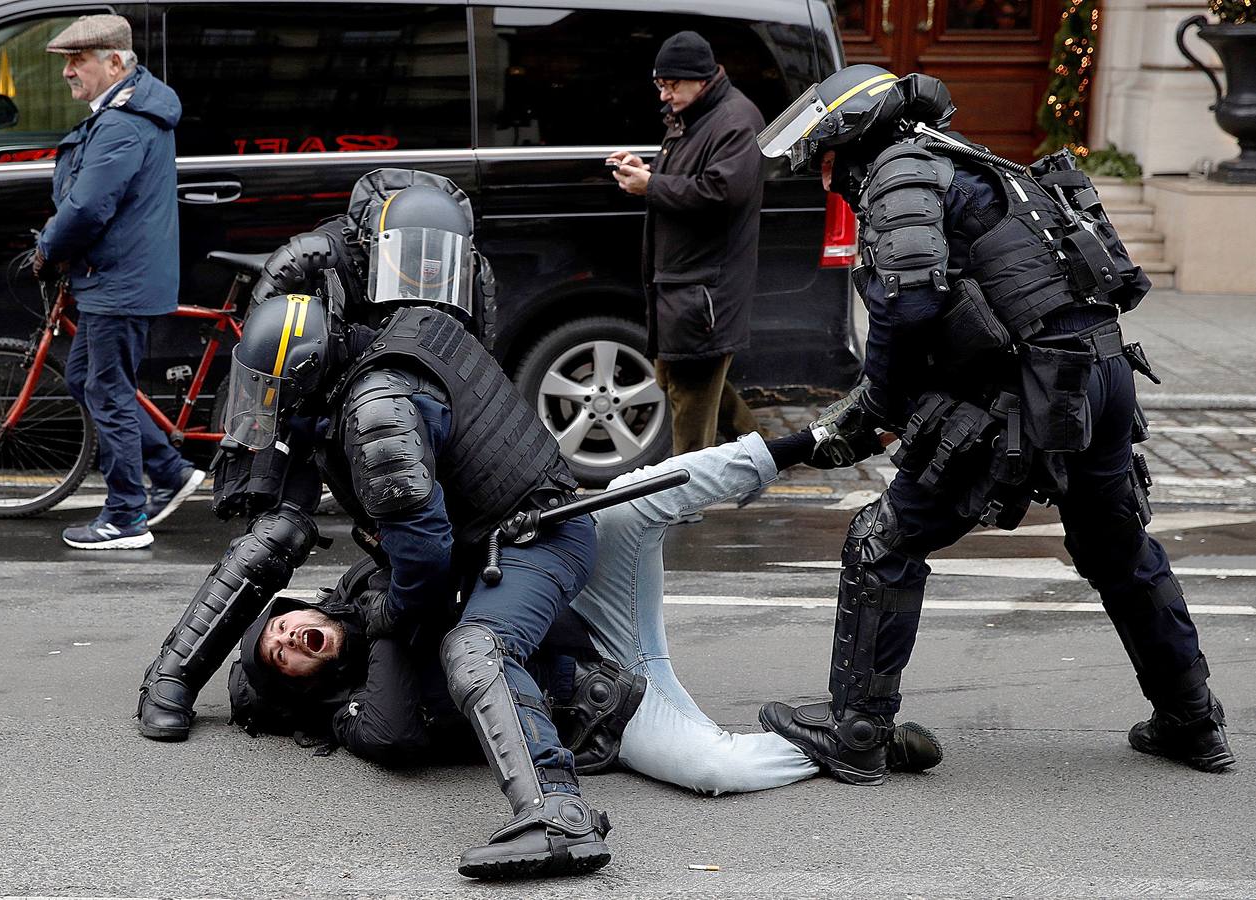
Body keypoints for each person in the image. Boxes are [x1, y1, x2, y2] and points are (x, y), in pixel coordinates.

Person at [752, 64, 1236, 785]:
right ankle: (1192, 722)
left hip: (1022, 393)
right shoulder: (977, 162)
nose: (825, 179)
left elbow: (905, 305)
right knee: (1117, 551)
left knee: (882, 541)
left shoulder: (899, 170)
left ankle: (856, 731)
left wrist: (877, 407)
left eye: (824, 161)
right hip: (1099, 376)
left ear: (852, 137)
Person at [139, 174, 612, 880]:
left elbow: (420, 559)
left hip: (531, 535)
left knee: (476, 648)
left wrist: (388, 615)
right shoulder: (353, 323)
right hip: (484, 528)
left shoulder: (377, 401)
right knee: (284, 532)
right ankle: (170, 677)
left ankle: (559, 812)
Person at [228, 434, 944, 797]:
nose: (288, 635)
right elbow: (393, 734)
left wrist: (394, 584)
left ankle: (812, 442)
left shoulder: (361, 581)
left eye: (281, 624)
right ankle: (859, 739)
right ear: (302, 684)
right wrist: (394, 615)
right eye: (282, 654)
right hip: (604, 708)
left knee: (629, 495)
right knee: (712, 769)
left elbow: (450, 547)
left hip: (590, 615)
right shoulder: (360, 714)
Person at [35, 15, 204, 549]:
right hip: (117, 277)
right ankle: (170, 472)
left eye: (76, 60)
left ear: (114, 62)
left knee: (105, 388)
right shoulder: (122, 112)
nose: (67, 72)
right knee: (87, 376)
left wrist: (46, 249)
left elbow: (88, 207)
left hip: (118, 281)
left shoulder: (122, 123)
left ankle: (126, 515)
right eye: (65, 60)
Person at [607, 30, 763, 456]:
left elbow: (720, 193)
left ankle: (685, 497)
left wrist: (651, 184)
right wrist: (648, 169)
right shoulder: (697, 116)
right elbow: (691, 173)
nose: (665, 95)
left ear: (701, 79)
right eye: (660, 84)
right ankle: (764, 454)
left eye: (672, 84)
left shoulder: (736, 120)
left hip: (706, 288)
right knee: (681, 381)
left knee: (690, 395)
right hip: (682, 284)